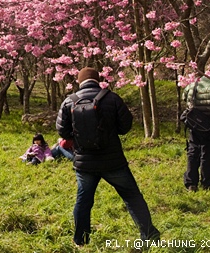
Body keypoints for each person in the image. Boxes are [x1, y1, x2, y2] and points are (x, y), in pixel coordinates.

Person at [56, 67, 160, 247]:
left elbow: (62, 132)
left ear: (80, 82)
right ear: (97, 80)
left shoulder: (69, 102)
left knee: (84, 200)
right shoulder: (112, 98)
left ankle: (80, 240)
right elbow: (125, 126)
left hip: (84, 163)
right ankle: (149, 235)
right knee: (132, 197)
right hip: (113, 161)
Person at [181, 67, 210, 191]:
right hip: (209, 124)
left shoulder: (193, 82)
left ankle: (191, 183)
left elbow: (184, 97)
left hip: (193, 124)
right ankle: (207, 183)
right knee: (208, 153)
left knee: (193, 152)